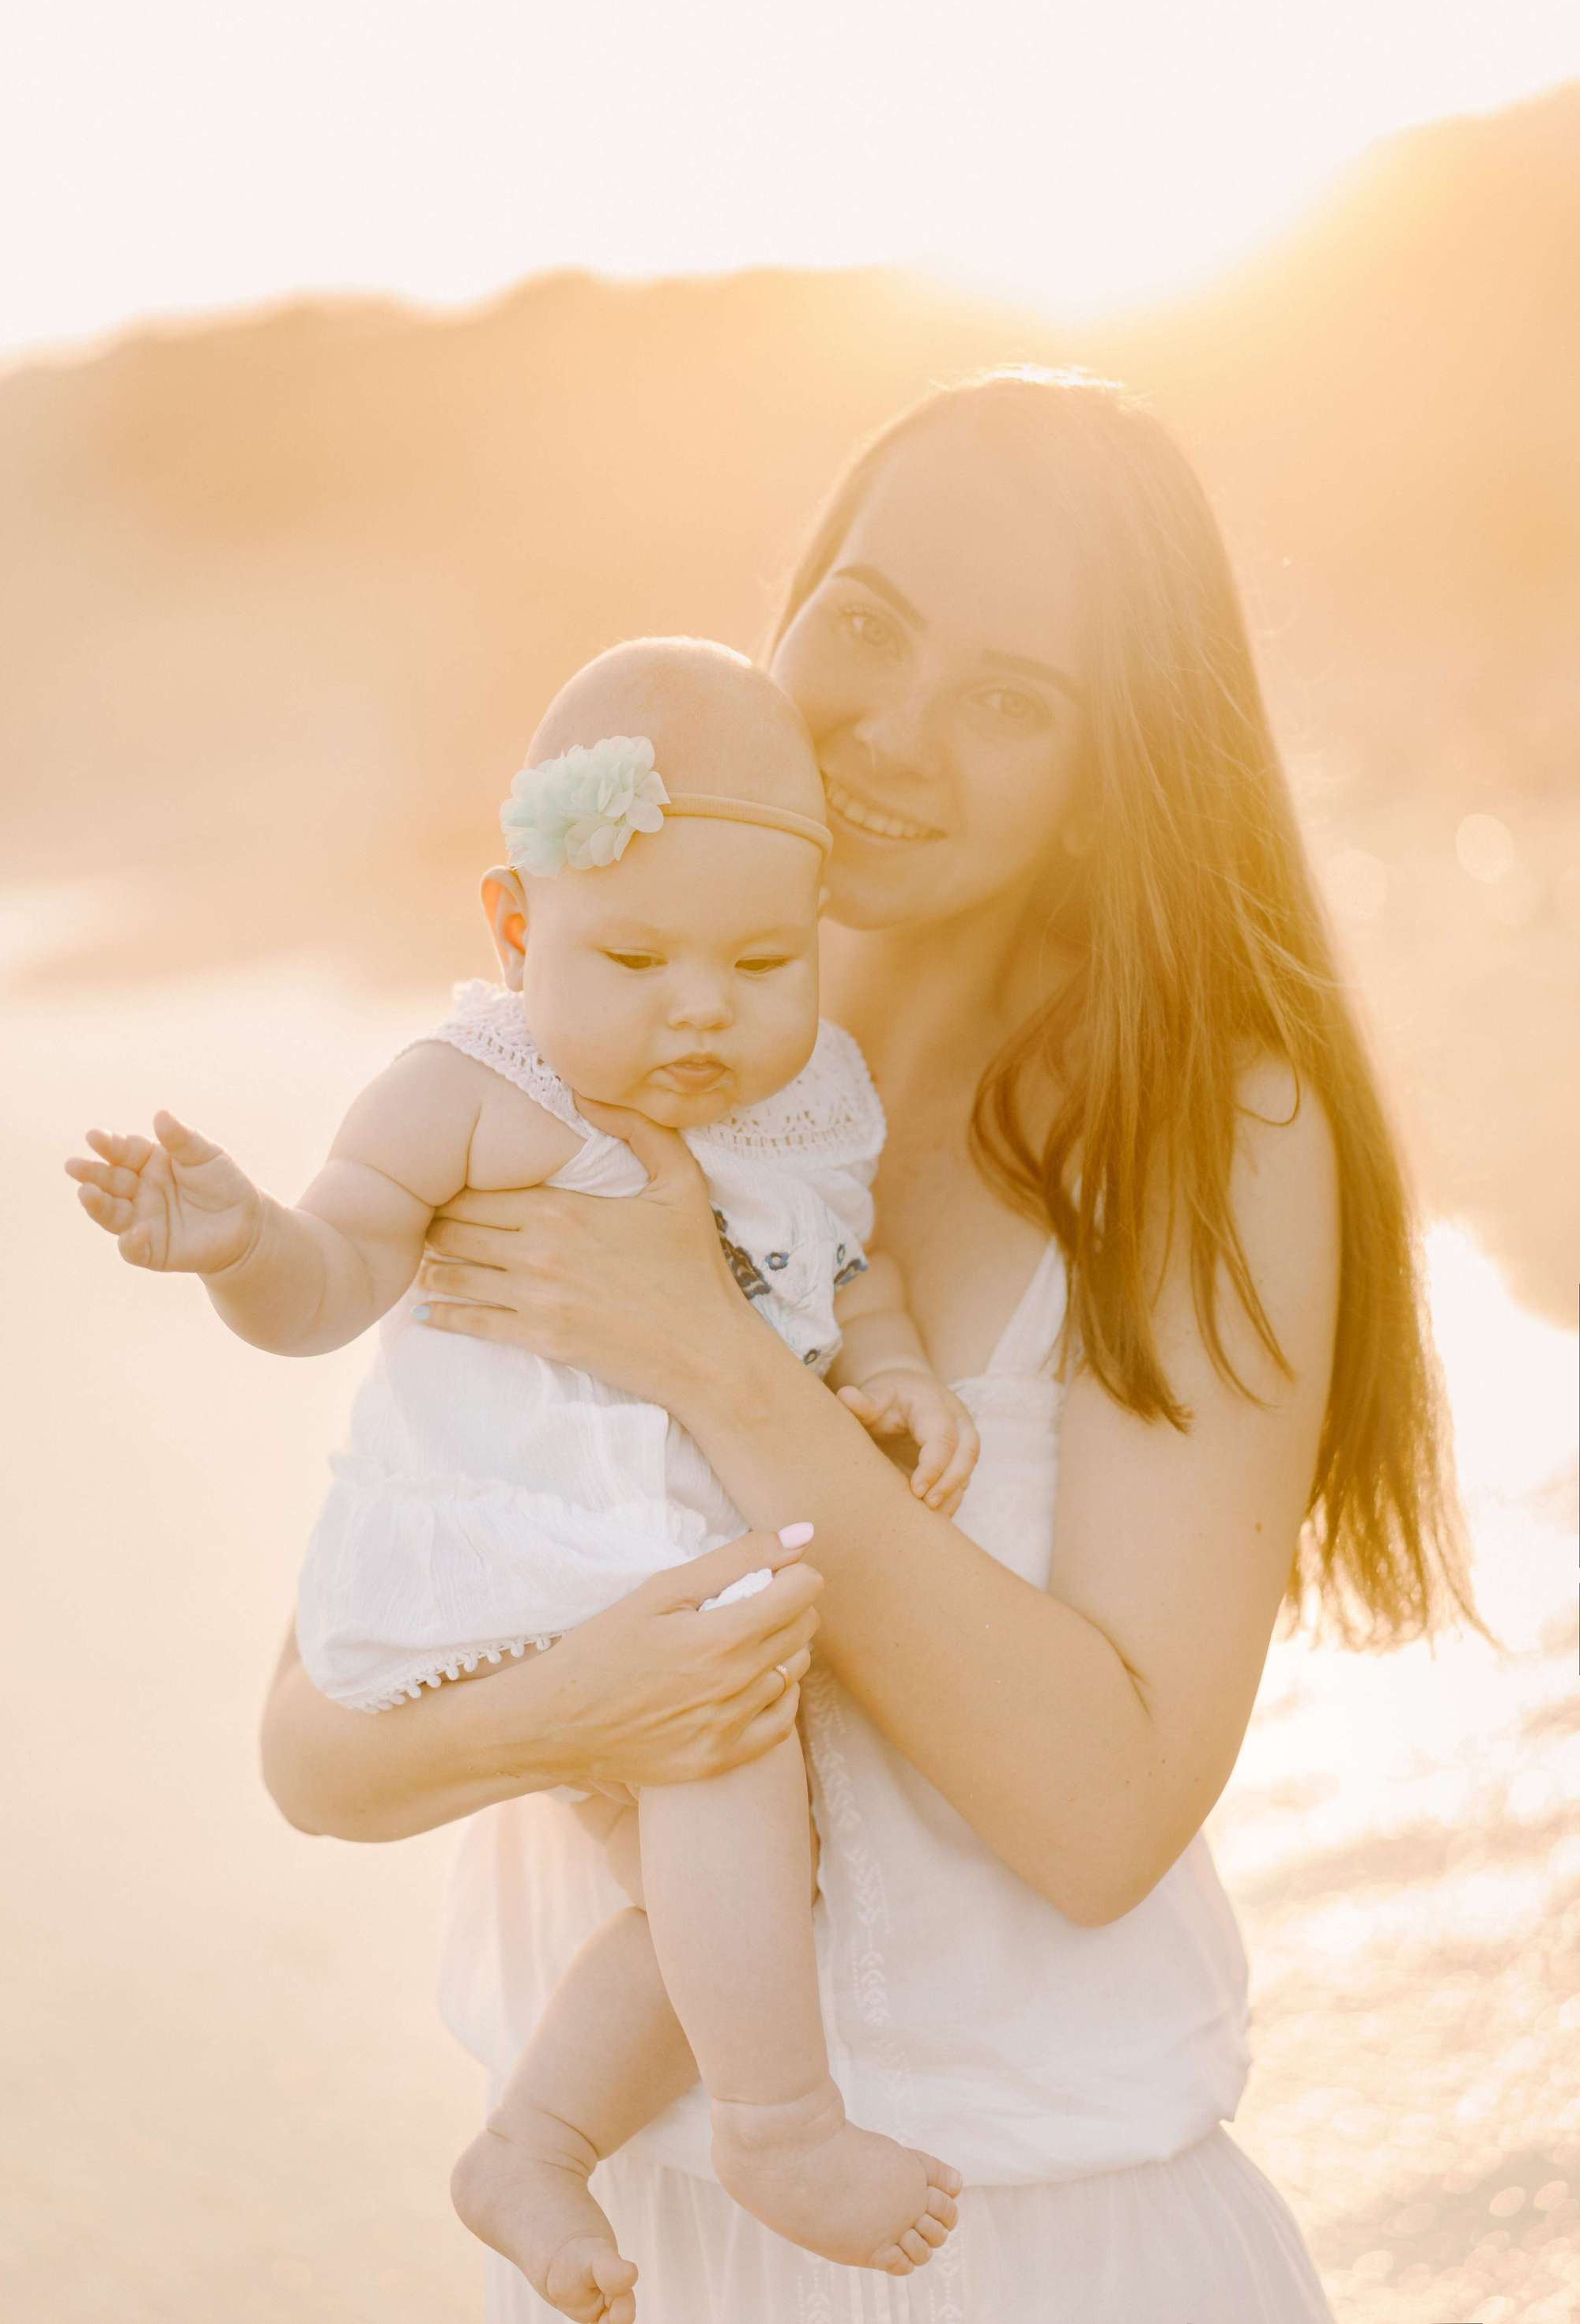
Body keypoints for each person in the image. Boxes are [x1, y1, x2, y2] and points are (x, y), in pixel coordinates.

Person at [258, 367, 1491, 2322]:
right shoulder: (586, 1060)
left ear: (1121, 764)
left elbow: (1102, 1815)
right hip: (619, 2237)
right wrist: (603, 1709)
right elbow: (322, 1743)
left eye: (1013, 701)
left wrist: (724, 1367)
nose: (894, 731)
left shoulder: (1202, 1121)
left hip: (1028, 2247)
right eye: (868, 625)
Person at [66, 638, 981, 2319]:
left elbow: (847, 1276)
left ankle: (535, 2143)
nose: (700, 1005)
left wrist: (902, 1370)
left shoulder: (808, 1102)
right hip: (524, 1548)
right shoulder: (470, 1091)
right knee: (725, 1767)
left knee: (752, 1879)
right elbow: (334, 1276)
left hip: (670, 1554)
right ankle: (778, 2125)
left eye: (762, 960)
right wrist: (242, 1243)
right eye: (632, 954)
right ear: (513, 929)